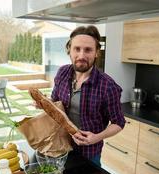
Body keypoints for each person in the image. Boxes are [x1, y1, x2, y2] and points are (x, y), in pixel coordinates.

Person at [51, 25, 125, 166]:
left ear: (97, 52)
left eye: (88, 50)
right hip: (59, 146)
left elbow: (118, 122)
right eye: (77, 49)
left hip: (89, 153)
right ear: (69, 50)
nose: (81, 55)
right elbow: (54, 102)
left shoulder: (108, 86)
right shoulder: (62, 72)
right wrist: (43, 103)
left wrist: (97, 137)